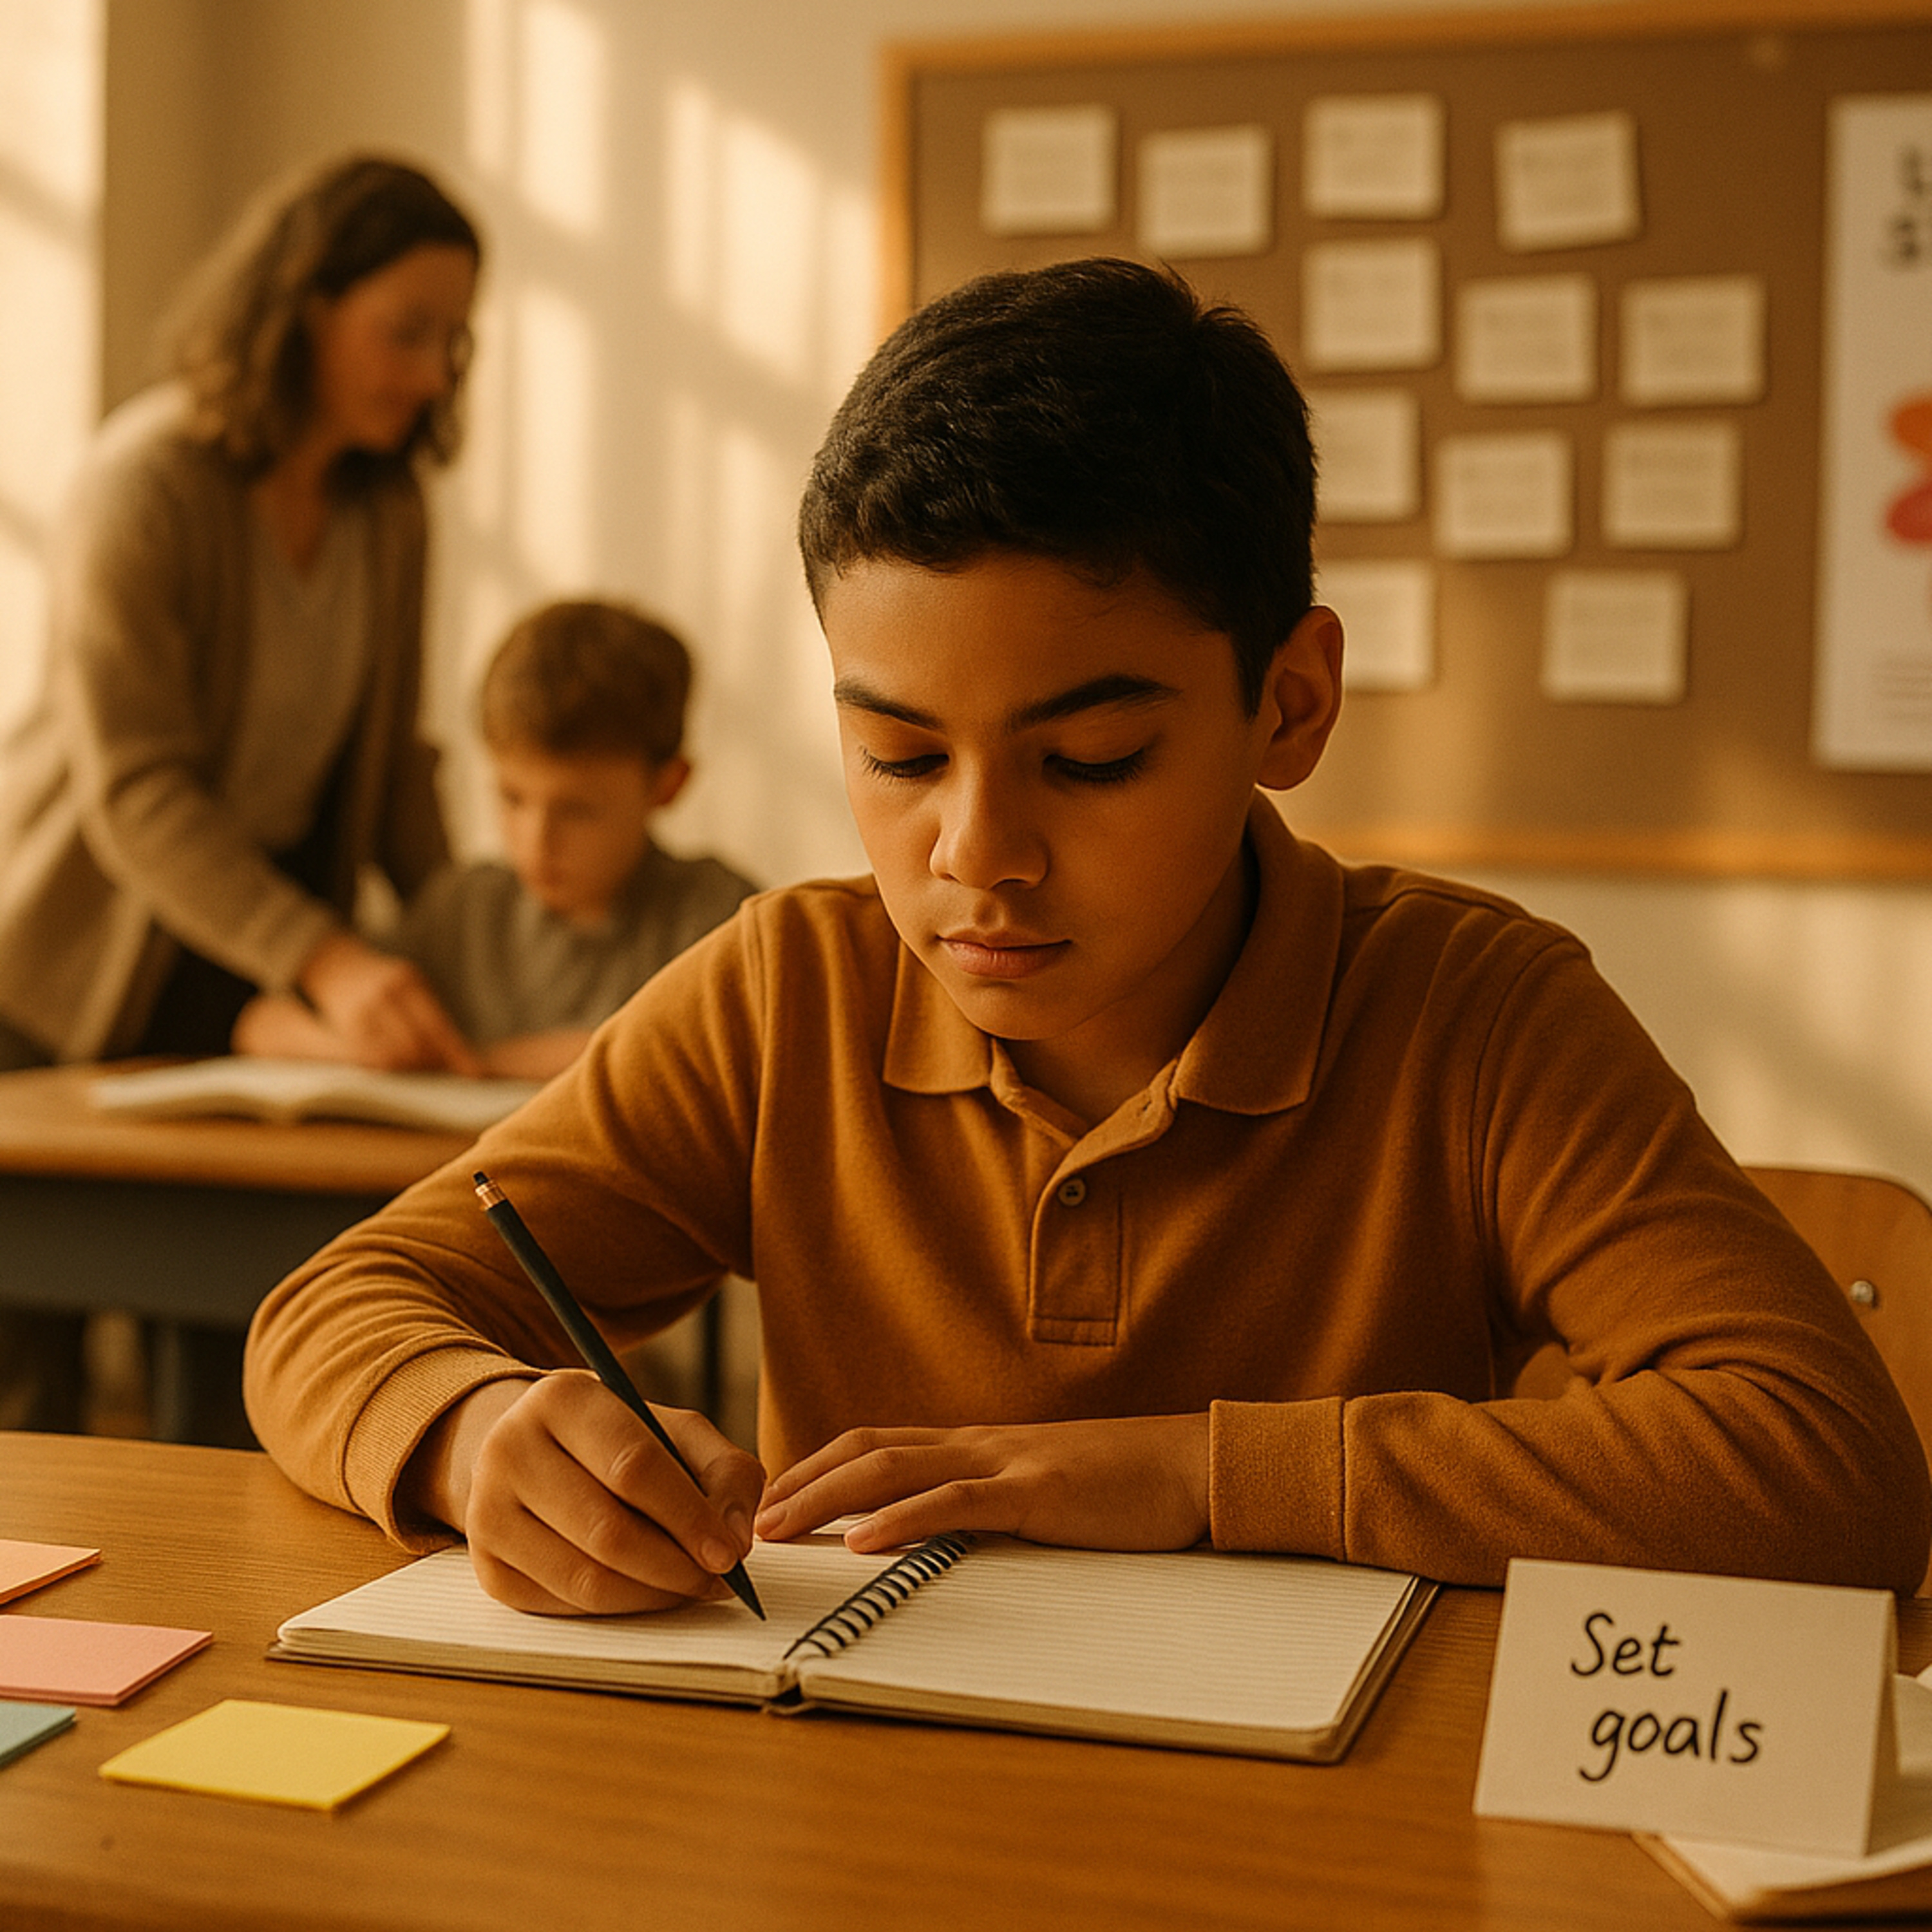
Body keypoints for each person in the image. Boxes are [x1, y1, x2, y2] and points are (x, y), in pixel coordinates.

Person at [245, 258, 1931, 1613]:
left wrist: (1196, 1476)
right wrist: (473, 1438)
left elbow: (1828, 1471)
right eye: (898, 755)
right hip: (863, 1832)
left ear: (1291, 701)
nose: (977, 856)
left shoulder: (1471, 1012)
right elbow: (339, 1309)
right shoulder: (791, 993)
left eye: (1094, 760)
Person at [0, 153, 483, 1434]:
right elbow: (141, 791)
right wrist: (330, 960)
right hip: (48, 979)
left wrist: (470, 940)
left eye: (454, 339)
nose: (435, 372)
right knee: (33, 1401)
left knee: (246, 1373)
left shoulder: (391, 510)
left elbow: (391, 773)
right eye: (407, 332)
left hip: (237, 977)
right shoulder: (143, 483)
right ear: (304, 305)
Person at [232, 598, 758, 1080]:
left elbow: (693, 1050)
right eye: (512, 798)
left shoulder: (717, 913)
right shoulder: (465, 909)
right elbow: (262, 1023)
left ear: (668, 785)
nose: (536, 841)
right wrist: (363, 1052)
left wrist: (478, 1062)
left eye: (577, 811)